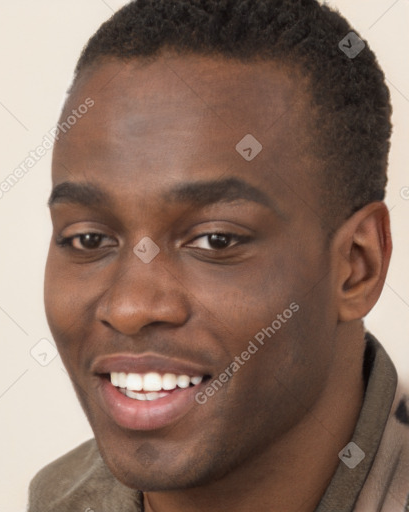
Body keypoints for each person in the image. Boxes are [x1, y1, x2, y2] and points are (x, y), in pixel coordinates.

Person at [28, 1, 409, 510]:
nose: (130, 307)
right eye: (89, 239)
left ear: (356, 267)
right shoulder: (59, 500)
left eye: (215, 240)